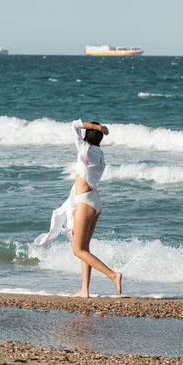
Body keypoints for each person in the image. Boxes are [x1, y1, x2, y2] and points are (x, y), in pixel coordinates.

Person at [34, 119, 122, 298]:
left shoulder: (84, 150)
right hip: (95, 202)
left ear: (86, 136)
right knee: (85, 250)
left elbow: (74, 124)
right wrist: (100, 130)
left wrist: (98, 128)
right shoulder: (100, 154)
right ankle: (84, 290)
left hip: (84, 202)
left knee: (77, 250)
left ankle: (113, 275)